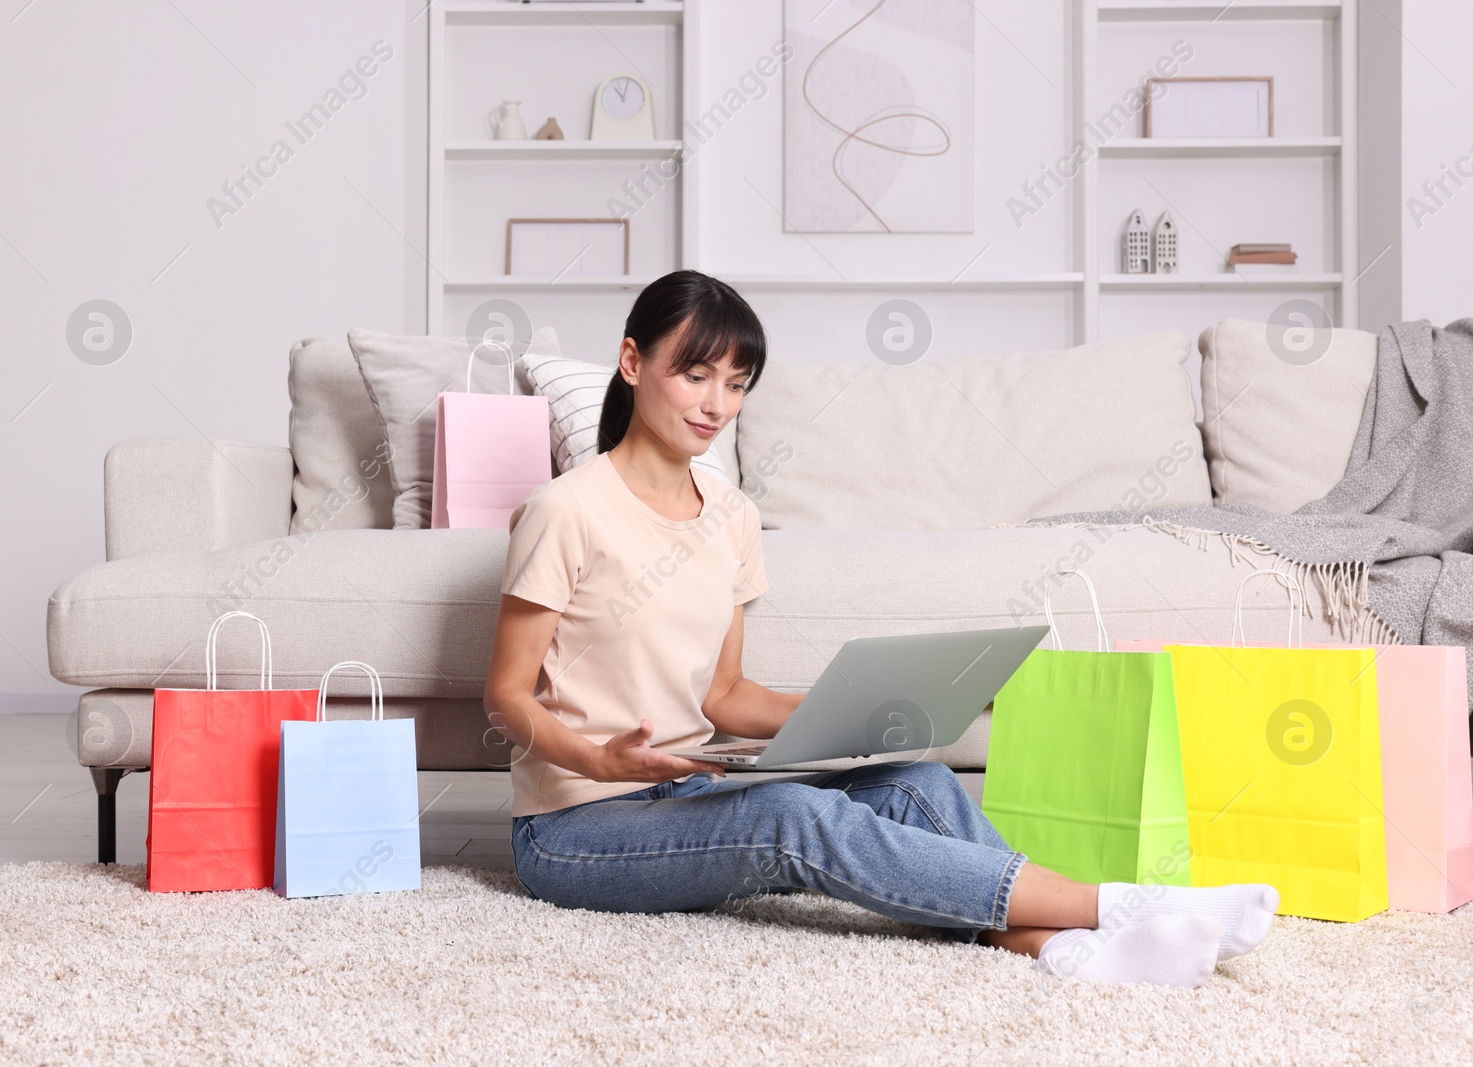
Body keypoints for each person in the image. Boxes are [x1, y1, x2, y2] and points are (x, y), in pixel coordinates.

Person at [484, 270, 1278, 987]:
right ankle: (1115, 905)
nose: (715, 404)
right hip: (573, 828)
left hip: (686, 790)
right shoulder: (567, 510)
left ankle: (1063, 951)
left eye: (735, 382)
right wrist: (597, 757)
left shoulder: (732, 516)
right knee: (791, 818)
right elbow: (506, 695)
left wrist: (851, 716)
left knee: (919, 782)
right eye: (694, 375)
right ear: (632, 363)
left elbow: (724, 697)